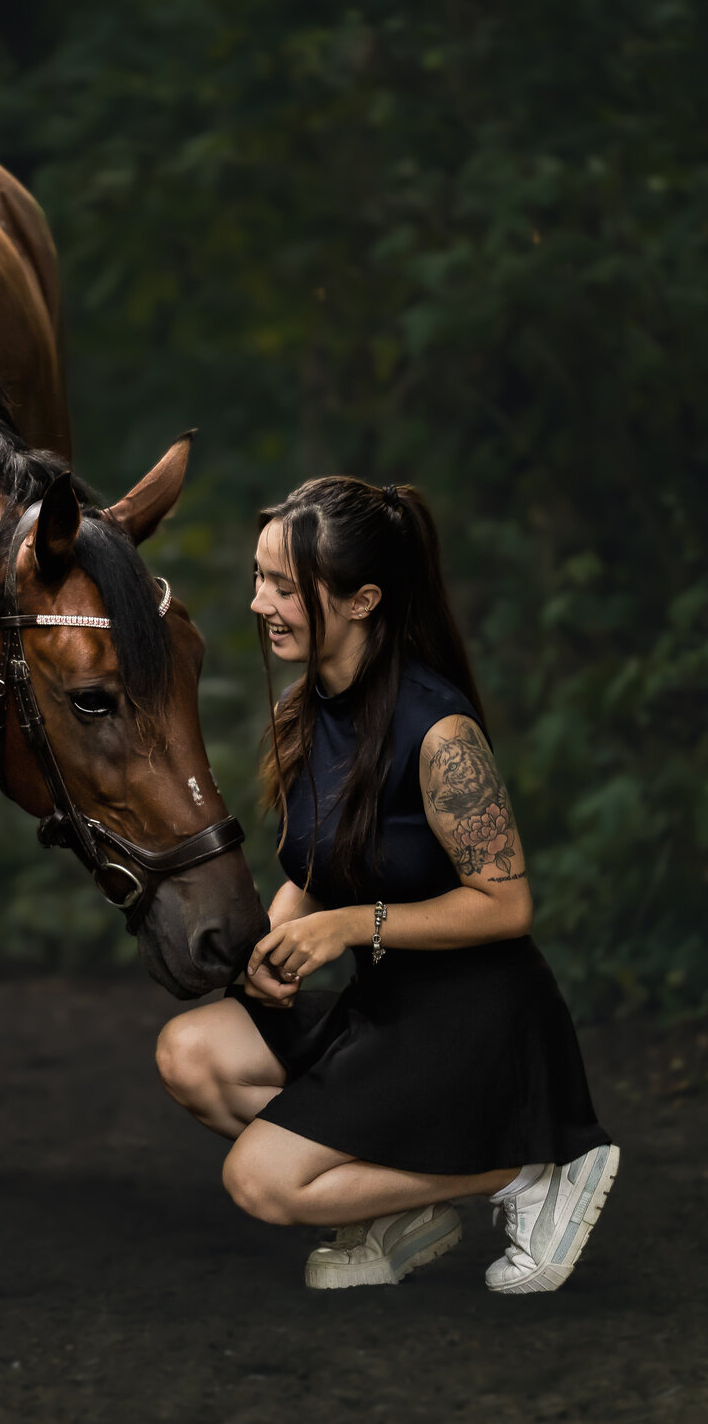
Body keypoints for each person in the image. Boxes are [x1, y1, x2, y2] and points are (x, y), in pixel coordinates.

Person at [156, 476, 618, 1294]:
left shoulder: (441, 733)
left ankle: (528, 1169)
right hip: (382, 1007)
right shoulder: (305, 712)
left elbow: (506, 903)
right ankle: (403, 1210)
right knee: (191, 1054)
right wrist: (275, 945)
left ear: (363, 600)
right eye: (260, 578)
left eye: (285, 587)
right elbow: (314, 869)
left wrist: (345, 928)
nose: (260, 603)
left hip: (475, 1020)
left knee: (260, 1181)